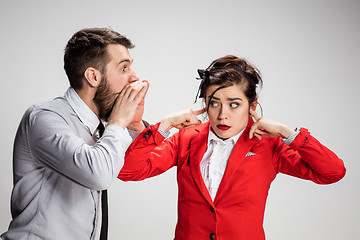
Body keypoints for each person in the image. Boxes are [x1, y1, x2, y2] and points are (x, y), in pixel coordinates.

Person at [118, 55, 346, 240]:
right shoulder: (185, 139)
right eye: (214, 103)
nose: (222, 114)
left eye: (234, 104)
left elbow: (332, 172)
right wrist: (164, 125)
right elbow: (128, 171)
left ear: (252, 105)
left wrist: (288, 133)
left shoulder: (269, 146)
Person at [1, 27, 149, 240]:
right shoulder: (44, 118)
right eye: (124, 68)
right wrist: (119, 122)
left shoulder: (100, 127)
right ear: (93, 76)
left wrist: (134, 123)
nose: (135, 78)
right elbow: (99, 174)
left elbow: (134, 164)